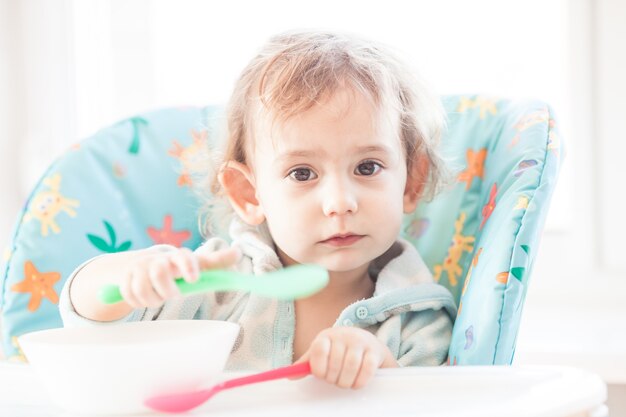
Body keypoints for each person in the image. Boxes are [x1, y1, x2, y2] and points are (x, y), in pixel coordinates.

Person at [60, 30, 457, 390]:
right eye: (302, 173)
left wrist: (379, 368)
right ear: (250, 194)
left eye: (367, 167)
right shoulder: (214, 286)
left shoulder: (419, 319)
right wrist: (129, 277)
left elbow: (427, 403)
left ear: (411, 181)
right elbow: (88, 320)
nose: (339, 202)